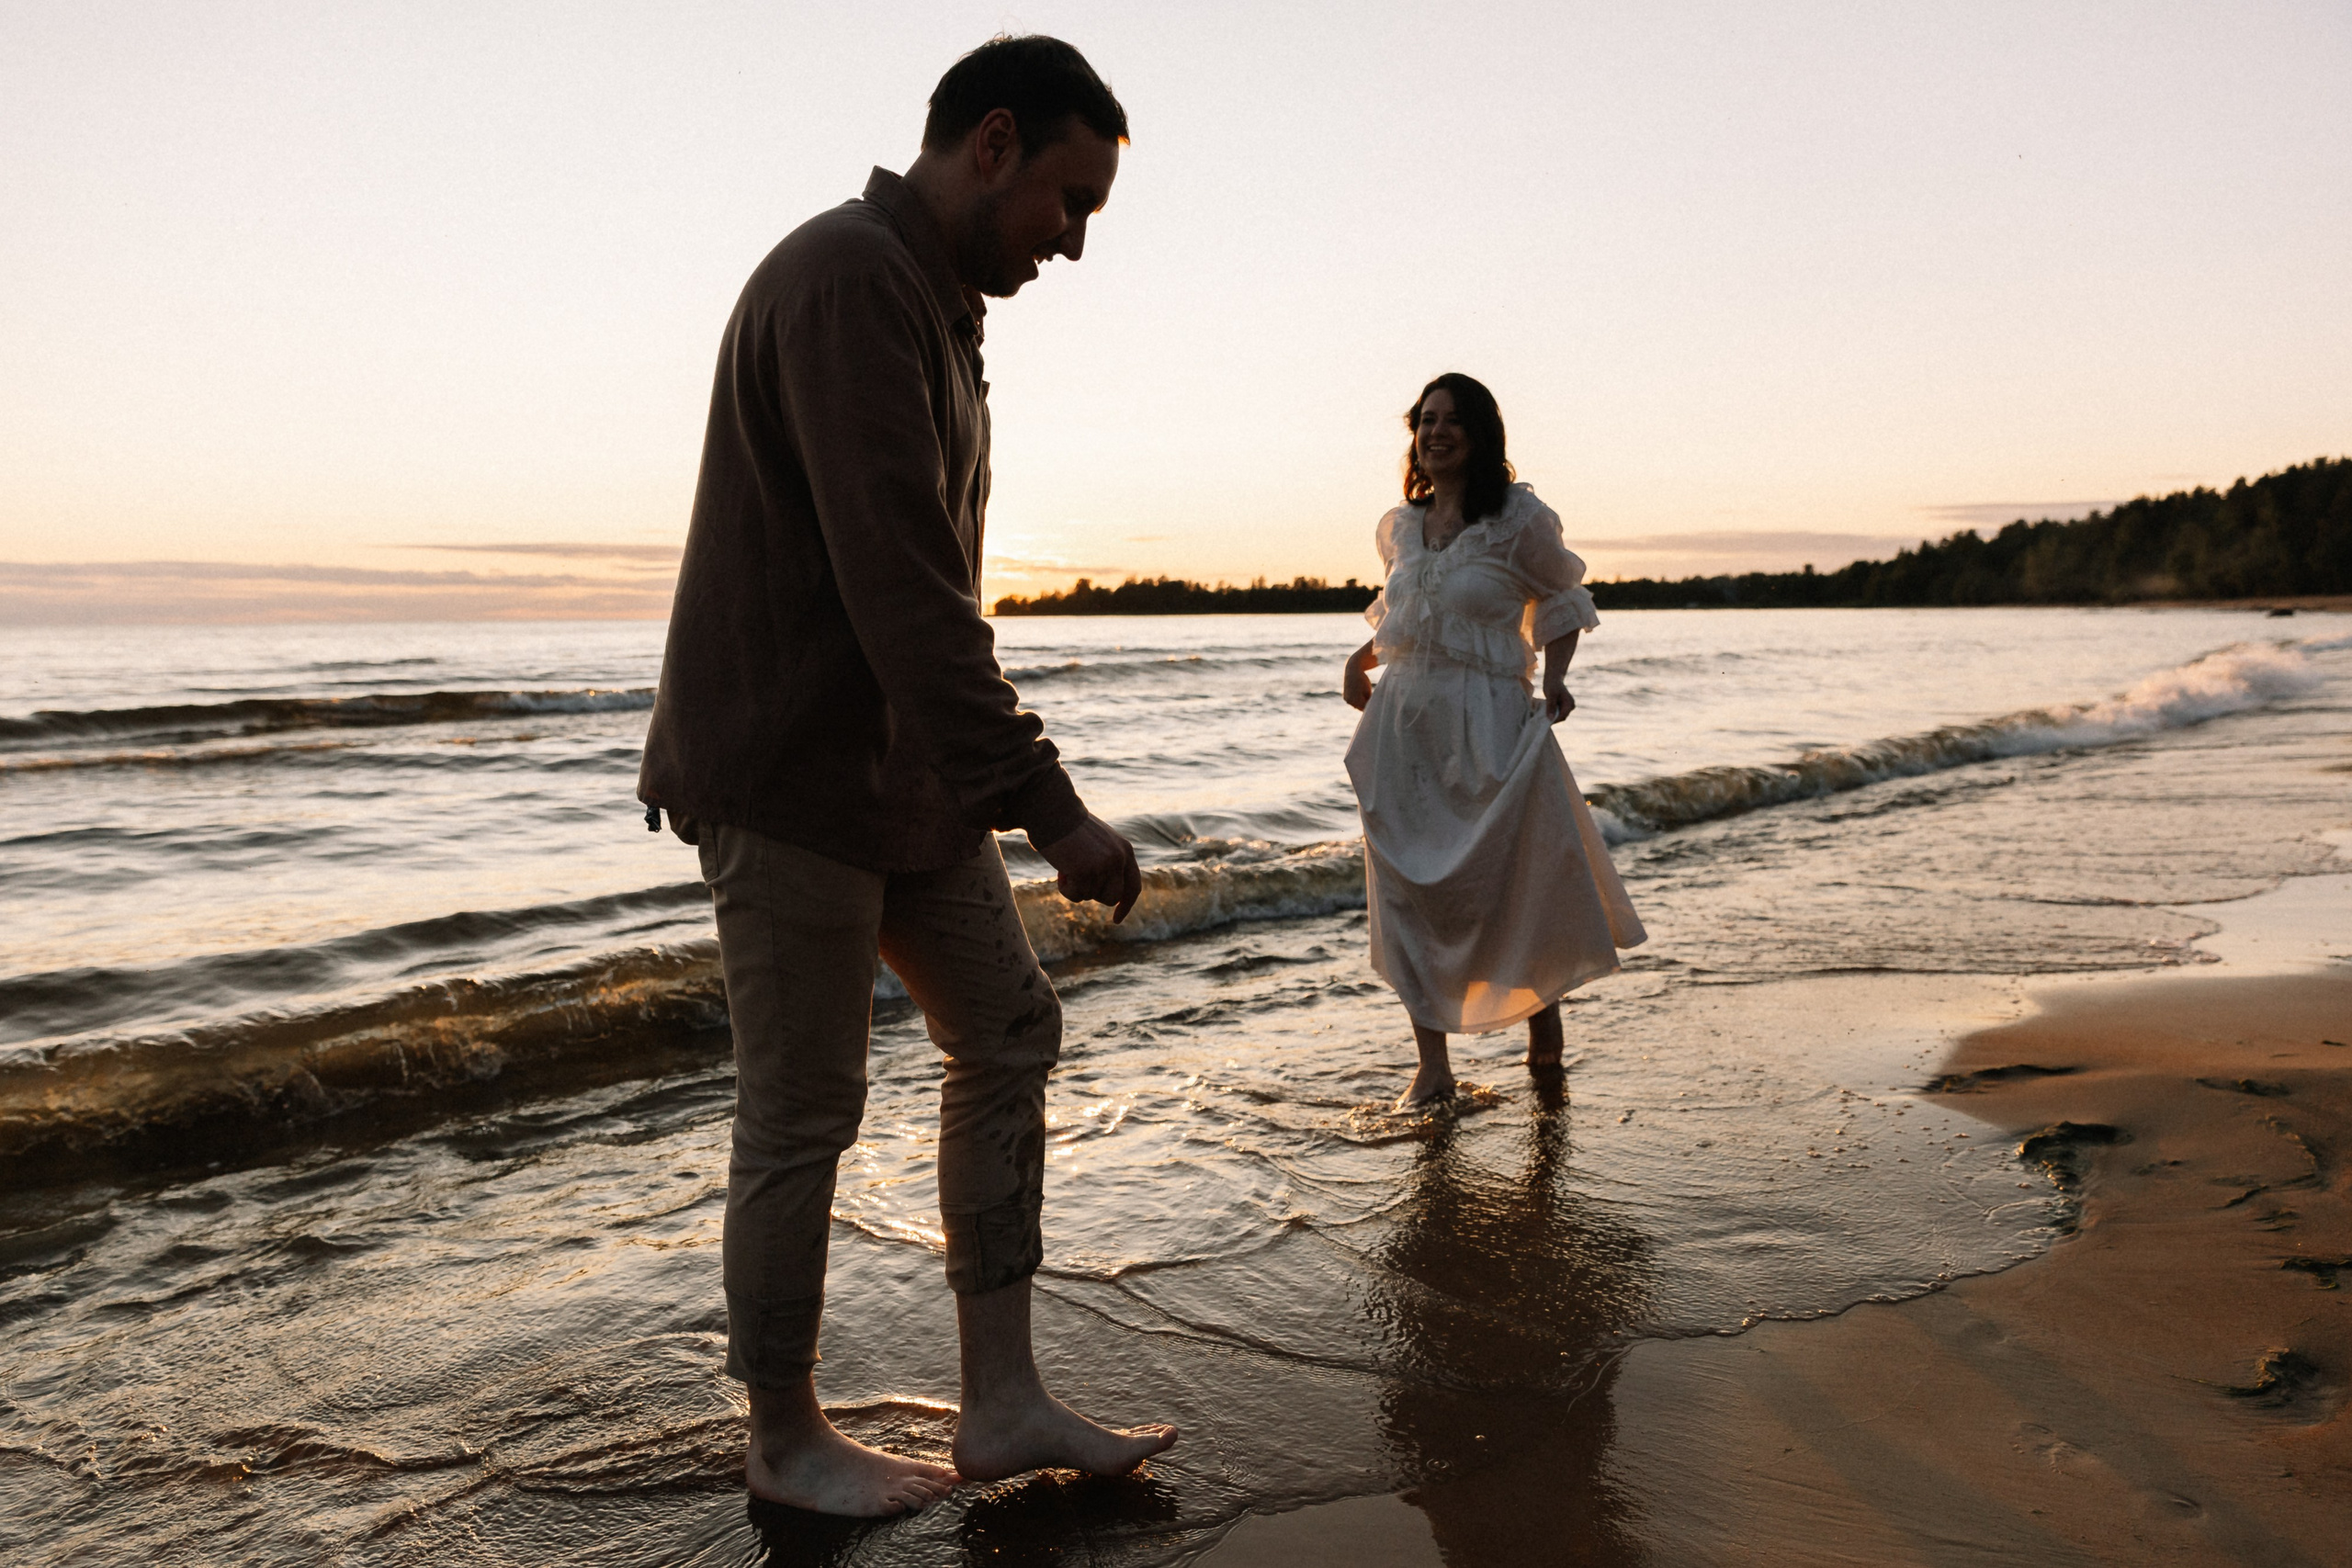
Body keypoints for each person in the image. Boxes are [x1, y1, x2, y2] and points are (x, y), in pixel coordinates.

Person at [637, 36, 1177, 1517]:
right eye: (1068, 202)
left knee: (1008, 1029)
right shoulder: (846, 280)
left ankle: (1000, 1402)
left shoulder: (937, 310)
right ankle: (787, 1438)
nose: (1070, 241)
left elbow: (921, 592)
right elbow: (902, 582)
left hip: (902, 777)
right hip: (785, 765)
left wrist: (983, 780)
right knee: (803, 1106)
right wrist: (1048, 802)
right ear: (992, 142)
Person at [1340, 374, 1647, 1108]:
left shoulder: (1518, 520)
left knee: (1511, 884)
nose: (1436, 432)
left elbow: (1564, 600)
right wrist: (1360, 658)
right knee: (1412, 891)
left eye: (1452, 420)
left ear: (1481, 434)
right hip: (1405, 736)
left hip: (1490, 728)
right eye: (1426, 421)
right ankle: (1433, 1065)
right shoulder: (1400, 527)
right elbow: (1401, 614)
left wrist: (1558, 680)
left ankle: (1543, 1023)